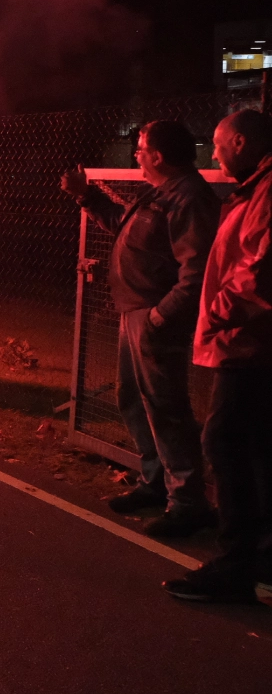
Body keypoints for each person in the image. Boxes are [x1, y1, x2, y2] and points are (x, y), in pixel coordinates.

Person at [62, 120, 220, 538]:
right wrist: (86, 196)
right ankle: (155, 481)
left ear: (160, 155)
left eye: (141, 147)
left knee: (165, 406)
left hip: (154, 318)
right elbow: (125, 229)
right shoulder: (160, 193)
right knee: (132, 398)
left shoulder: (189, 198)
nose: (136, 154)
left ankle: (187, 502)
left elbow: (198, 271)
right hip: (134, 313)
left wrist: (160, 317)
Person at [164, 108, 272, 604]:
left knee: (225, 441)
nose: (215, 153)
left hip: (250, 347)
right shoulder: (255, 188)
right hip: (247, 344)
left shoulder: (267, 191)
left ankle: (235, 566)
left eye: (220, 143)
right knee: (253, 450)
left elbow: (259, 272)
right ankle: (259, 554)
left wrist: (217, 310)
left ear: (243, 143)